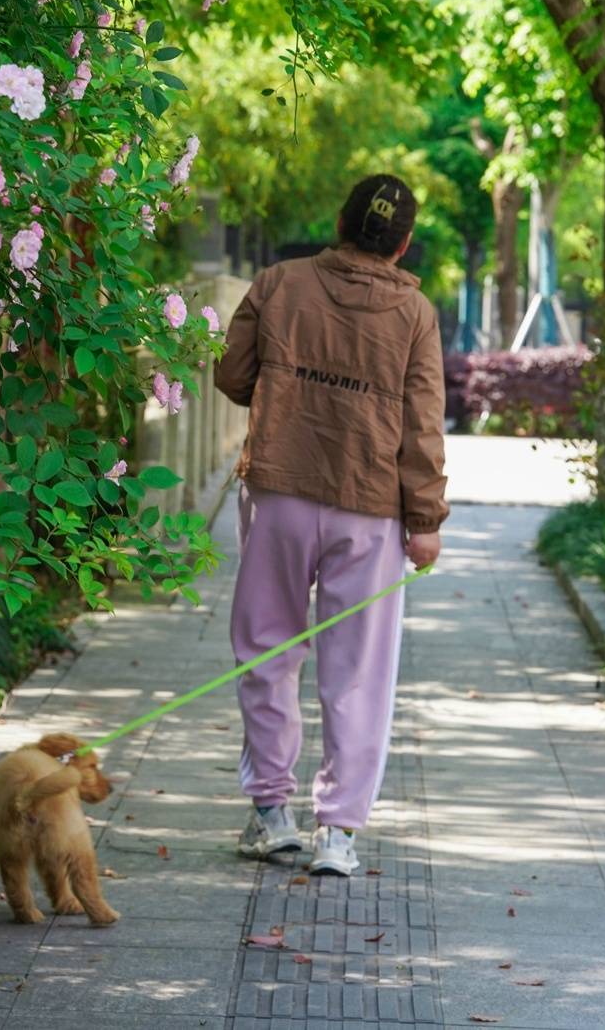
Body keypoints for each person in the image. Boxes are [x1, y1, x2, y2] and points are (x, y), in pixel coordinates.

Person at [214, 174, 447, 876]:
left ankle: (270, 814)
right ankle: (338, 835)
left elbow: (231, 374)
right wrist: (426, 519)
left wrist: (290, 395)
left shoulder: (280, 282)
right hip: (370, 510)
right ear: (404, 245)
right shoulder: (416, 315)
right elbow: (423, 425)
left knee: (266, 649)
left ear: (341, 223)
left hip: (281, 492)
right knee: (358, 672)